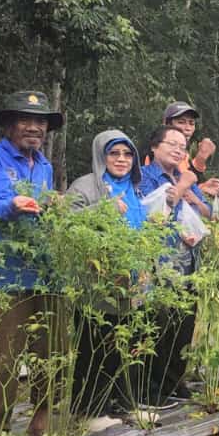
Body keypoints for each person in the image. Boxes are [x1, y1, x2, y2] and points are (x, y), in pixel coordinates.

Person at [0, 91, 64, 436]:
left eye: (41, 122)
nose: (34, 127)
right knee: (0, 354)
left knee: (50, 350)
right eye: (26, 119)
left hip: (43, 271)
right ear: (9, 124)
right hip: (0, 271)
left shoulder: (45, 166)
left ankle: (42, 421)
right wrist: (14, 204)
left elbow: (47, 214)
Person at [65, 130, 148, 421]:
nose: (122, 160)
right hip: (96, 284)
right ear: (102, 155)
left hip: (133, 284)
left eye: (127, 154)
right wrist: (104, 209)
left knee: (127, 346)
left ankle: (124, 405)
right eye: (115, 153)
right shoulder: (86, 186)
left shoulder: (135, 188)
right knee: (95, 347)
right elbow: (67, 225)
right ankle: (89, 412)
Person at [139, 125, 210, 405]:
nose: (179, 149)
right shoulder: (144, 176)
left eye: (182, 146)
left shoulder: (186, 178)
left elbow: (208, 211)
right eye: (172, 144)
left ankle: (172, 380)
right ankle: (150, 388)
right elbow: (162, 204)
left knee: (184, 324)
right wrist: (183, 186)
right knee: (158, 324)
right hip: (159, 262)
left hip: (188, 260)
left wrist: (190, 192)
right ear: (154, 147)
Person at [159, 101, 219, 198]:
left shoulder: (185, 155)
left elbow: (188, 183)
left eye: (191, 123)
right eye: (181, 122)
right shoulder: (158, 153)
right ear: (166, 124)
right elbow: (163, 194)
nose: (188, 128)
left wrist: (203, 186)